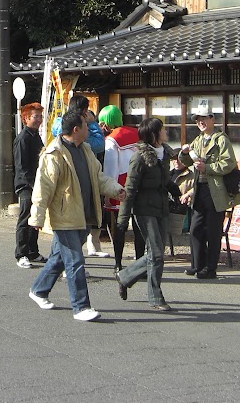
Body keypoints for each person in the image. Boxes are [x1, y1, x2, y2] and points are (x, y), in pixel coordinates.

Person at [28, 106, 123, 322]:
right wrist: (37, 217)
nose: (90, 127)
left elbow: (99, 178)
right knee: (75, 261)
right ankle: (81, 307)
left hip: (85, 213)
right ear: (75, 129)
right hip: (65, 216)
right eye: (85, 124)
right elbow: (43, 188)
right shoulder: (54, 154)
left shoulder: (86, 150)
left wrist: (116, 190)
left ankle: (39, 290)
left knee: (59, 258)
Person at [115, 117, 176, 311]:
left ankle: (125, 276)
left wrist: (175, 190)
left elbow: (165, 180)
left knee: (156, 254)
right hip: (144, 210)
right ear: (153, 134)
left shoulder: (164, 153)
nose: (165, 132)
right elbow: (130, 189)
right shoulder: (139, 157)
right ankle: (155, 297)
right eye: (162, 129)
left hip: (162, 208)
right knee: (156, 254)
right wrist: (122, 220)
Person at [184, 110, 240, 279]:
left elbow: (229, 163)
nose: (200, 122)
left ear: (212, 119)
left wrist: (208, 168)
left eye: (203, 118)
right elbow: (188, 161)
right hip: (200, 189)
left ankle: (210, 269)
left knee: (213, 231)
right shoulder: (198, 140)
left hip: (216, 190)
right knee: (195, 229)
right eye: (197, 120)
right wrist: (184, 152)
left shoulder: (221, 139)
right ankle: (197, 265)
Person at [103, 109, 145, 272]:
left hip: (120, 185)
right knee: (138, 226)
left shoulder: (112, 140)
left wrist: (108, 192)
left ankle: (118, 263)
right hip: (139, 184)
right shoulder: (138, 133)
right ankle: (140, 262)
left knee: (119, 226)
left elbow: (111, 167)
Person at [13, 102, 45, 268]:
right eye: (35, 116)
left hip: (37, 182)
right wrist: (31, 185)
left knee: (35, 218)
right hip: (26, 184)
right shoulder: (22, 138)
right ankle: (21, 253)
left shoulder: (35, 136)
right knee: (25, 218)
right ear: (26, 118)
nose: (39, 119)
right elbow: (21, 167)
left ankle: (33, 251)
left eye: (40, 116)